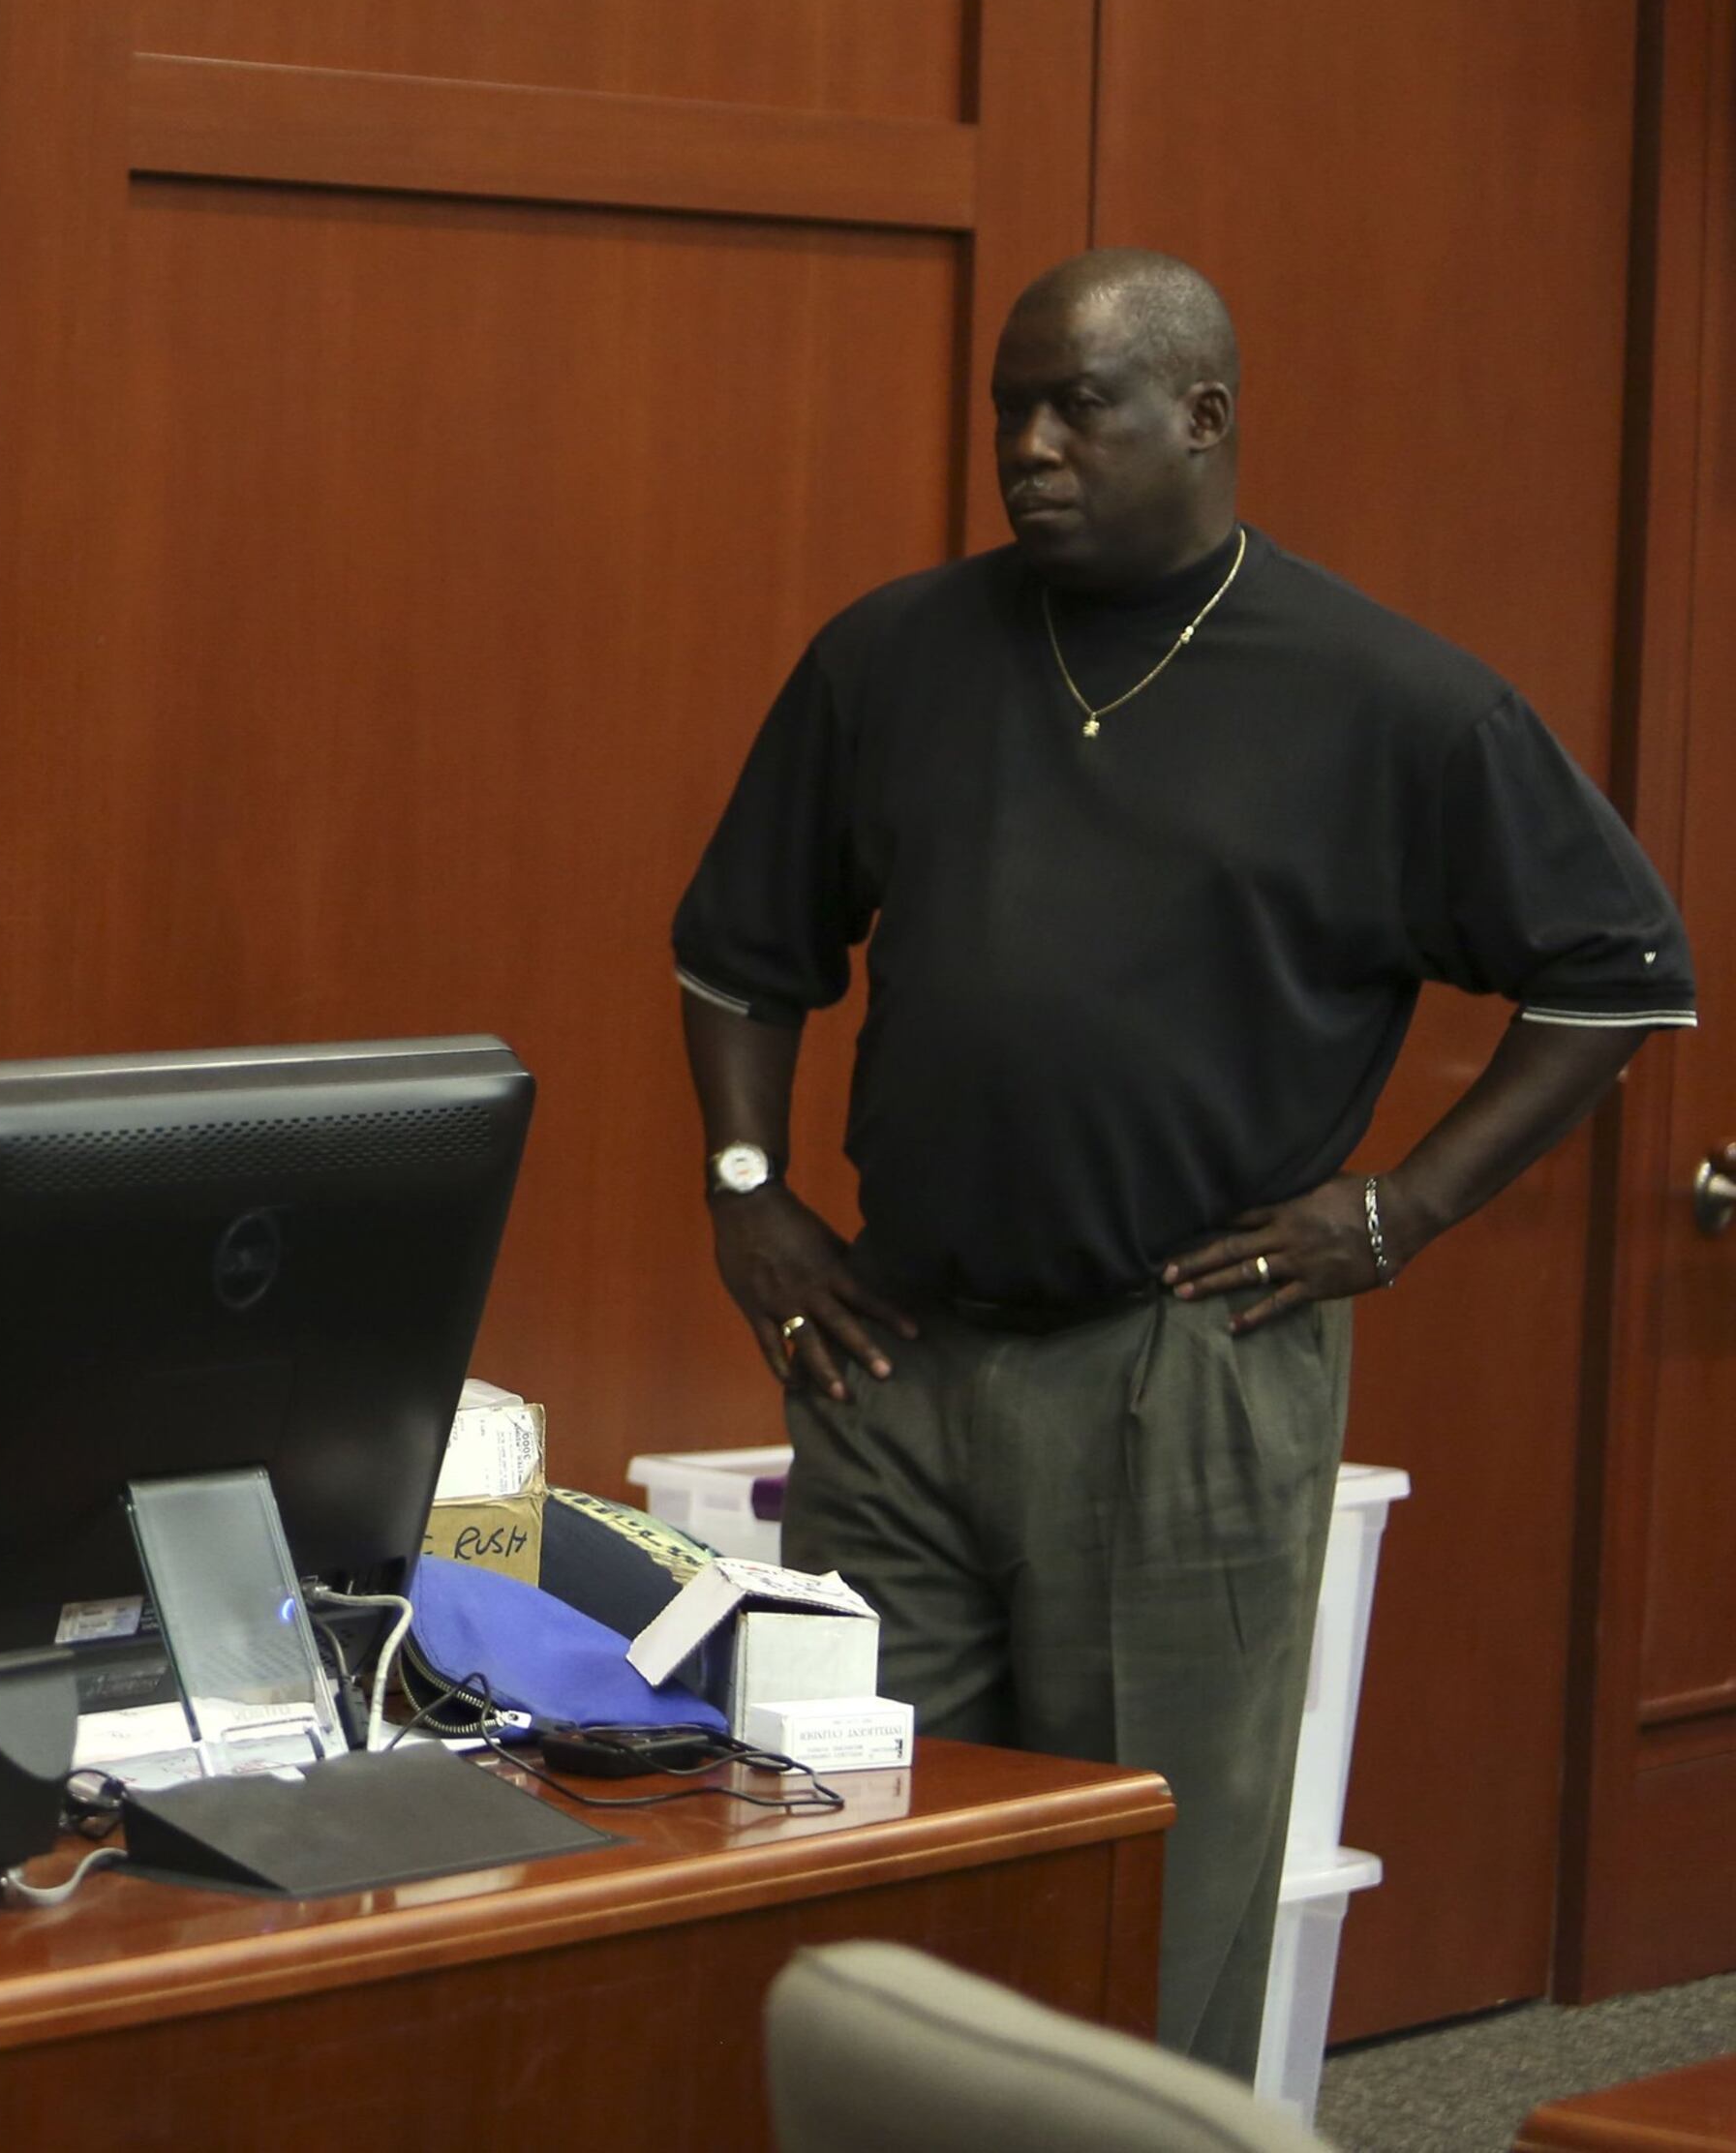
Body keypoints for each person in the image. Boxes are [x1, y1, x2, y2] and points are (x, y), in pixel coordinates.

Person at [671, 250, 1694, 2073]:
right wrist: (749, 1193)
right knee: (860, 1888)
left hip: (1184, 1366)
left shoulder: (1388, 698)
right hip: (897, 1359)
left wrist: (1404, 1206)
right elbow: (745, 952)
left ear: (1205, 417)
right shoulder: (891, 654)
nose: (1031, 448)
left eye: (1081, 406)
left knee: (1150, 1920)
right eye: (1011, 408)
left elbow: (1620, 972)